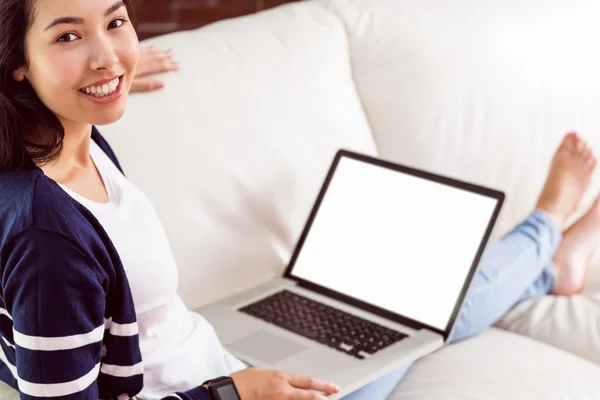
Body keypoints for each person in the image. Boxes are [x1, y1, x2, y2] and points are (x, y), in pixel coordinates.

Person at [0, 1, 597, 399]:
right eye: (68, 36)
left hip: (220, 358)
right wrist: (235, 392)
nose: (107, 54)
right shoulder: (45, 230)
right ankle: (547, 244)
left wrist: (106, 67)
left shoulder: (68, 135)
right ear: (17, 64)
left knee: (403, 315)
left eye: (116, 21)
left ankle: (547, 257)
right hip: (226, 390)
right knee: (430, 319)